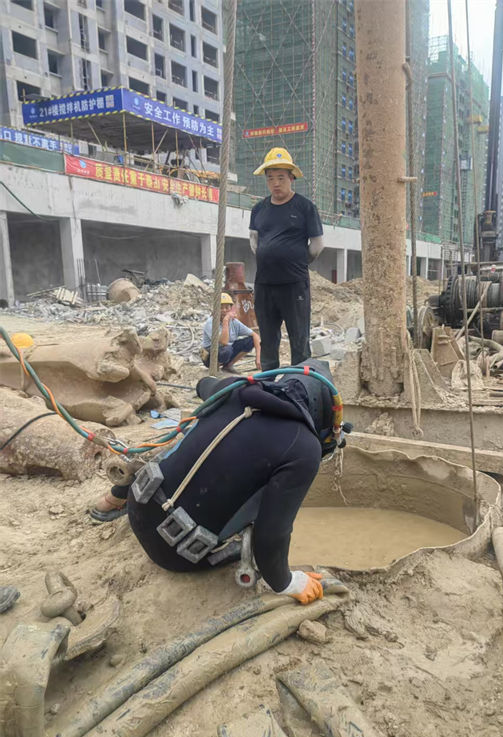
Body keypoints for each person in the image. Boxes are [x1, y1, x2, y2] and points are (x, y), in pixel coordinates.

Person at [90, 360, 345, 605]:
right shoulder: (304, 449)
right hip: (173, 553)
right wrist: (286, 583)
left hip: (137, 506)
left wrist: (221, 383)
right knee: (269, 491)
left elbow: (203, 384)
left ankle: (114, 499)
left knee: (189, 443)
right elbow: (271, 534)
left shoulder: (235, 389)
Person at [249, 148, 324, 371]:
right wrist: (269, 258)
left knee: (299, 340)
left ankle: (298, 383)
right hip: (264, 285)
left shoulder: (305, 207)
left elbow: (317, 245)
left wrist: (296, 262)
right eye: (271, 178)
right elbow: (254, 242)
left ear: (291, 178)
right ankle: (268, 385)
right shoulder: (258, 209)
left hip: (294, 285)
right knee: (268, 340)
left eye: (281, 178)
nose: (276, 183)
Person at [202, 292, 261, 374]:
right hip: (211, 356)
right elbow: (224, 342)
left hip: (227, 351)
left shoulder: (234, 322)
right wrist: (226, 320)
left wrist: (258, 358)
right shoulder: (211, 322)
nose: (224, 310)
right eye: (221, 308)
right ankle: (216, 368)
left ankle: (228, 365)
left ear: (231, 308)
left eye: (227, 307)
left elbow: (255, 335)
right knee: (227, 349)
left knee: (250, 341)